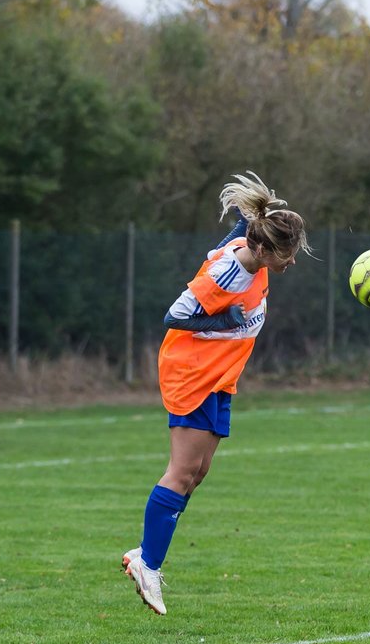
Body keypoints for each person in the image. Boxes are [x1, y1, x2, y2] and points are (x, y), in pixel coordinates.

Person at [122, 172, 310, 615]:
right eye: (287, 255)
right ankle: (148, 562)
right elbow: (176, 315)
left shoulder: (253, 248)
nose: (292, 262)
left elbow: (244, 225)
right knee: (183, 471)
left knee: (198, 472)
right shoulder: (231, 272)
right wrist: (224, 323)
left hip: (218, 374)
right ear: (262, 249)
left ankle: (146, 552)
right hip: (192, 373)